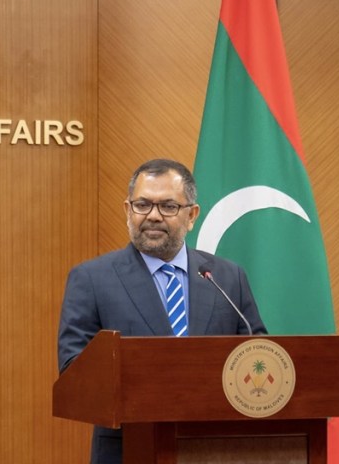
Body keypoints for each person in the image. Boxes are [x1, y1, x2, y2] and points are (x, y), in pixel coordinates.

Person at [57, 158, 266, 464]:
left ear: (192, 215)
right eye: (143, 205)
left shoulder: (226, 277)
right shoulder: (91, 279)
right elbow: (75, 373)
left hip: (219, 448)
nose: (152, 216)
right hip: (129, 450)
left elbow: (257, 353)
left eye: (168, 206)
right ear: (128, 210)